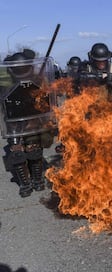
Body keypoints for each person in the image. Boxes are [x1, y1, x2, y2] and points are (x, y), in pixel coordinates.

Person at [0, 49, 57, 197]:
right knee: (17, 153)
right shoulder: (5, 81)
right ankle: (25, 184)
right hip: (13, 122)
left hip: (32, 121)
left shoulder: (37, 80)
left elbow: (46, 100)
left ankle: (37, 180)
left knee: (34, 150)